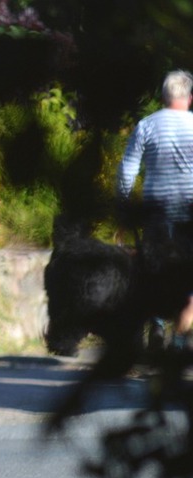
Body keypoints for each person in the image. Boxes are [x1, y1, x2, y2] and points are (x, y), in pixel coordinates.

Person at [116, 69, 193, 347]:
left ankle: (157, 325)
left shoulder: (146, 126)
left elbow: (127, 171)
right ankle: (179, 342)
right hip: (189, 212)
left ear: (163, 96)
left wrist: (124, 208)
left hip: (154, 211)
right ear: (190, 98)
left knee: (154, 269)